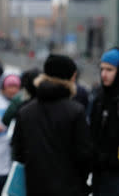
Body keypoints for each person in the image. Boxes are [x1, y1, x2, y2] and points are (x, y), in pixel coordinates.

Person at [12, 54, 92, 196]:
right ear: (69, 79)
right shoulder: (76, 112)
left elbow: (18, 153)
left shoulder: (25, 112)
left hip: (35, 188)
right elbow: (84, 156)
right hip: (69, 189)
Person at [90, 47, 119, 195]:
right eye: (102, 69)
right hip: (99, 171)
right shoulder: (98, 98)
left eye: (109, 70)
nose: (104, 74)